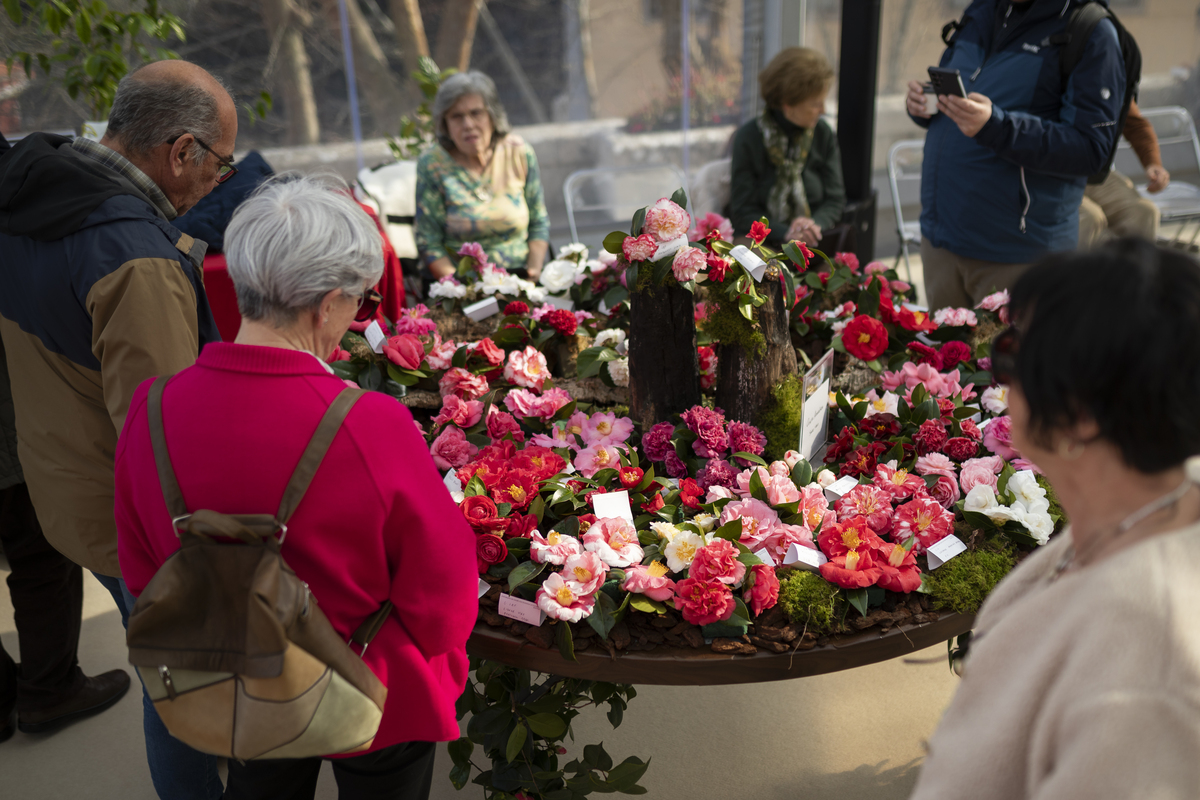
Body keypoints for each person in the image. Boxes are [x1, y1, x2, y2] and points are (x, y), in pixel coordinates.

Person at [114, 175, 479, 800]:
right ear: (325, 304)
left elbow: (143, 569)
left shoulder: (151, 409)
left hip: (233, 675)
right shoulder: (369, 422)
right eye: (360, 303)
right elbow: (442, 598)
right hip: (370, 690)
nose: (357, 316)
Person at [0, 61, 235, 798]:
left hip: (60, 480)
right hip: (130, 519)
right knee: (183, 693)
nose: (221, 180)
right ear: (181, 151)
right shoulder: (133, 258)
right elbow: (161, 441)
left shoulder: (35, 181)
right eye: (221, 163)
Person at [909, 238, 1200, 799]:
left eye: (1014, 352)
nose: (1000, 374)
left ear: (1080, 413)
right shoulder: (1138, 518)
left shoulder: (1142, 665)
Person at [907, 0, 1126, 311]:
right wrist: (924, 105)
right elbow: (966, 88)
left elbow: (1091, 150)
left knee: (1013, 361)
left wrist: (999, 126)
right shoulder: (980, 12)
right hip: (941, 242)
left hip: (1017, 256)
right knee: (943, 359)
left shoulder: (1090, 31)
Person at [415, 71, 550, 280]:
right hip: (463, 286)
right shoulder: (433, 164)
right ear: (445, 124)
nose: (468, 124)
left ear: (492, 116)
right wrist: (458, 289)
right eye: (457, 117)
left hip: (521, 278)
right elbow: (428, 241)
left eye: (476, 113)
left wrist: (533, 274)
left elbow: (539, 222)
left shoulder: (518, 152)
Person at [729, 47, 846, 250]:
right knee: (767, 274)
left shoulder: (823, 134)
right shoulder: (749, 138)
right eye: (815, 104)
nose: (823, 110)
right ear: (788, 104)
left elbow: (835, 200)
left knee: (842, 276)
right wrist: (786, 232)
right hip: (763, 242)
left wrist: (812, 226)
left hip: (816, 240)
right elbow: (742, 212)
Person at [1078, 100, 1169, 246]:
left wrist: (1152, 162)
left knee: (1144, 212)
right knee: (1090, 218)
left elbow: (1135, 123)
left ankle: (1130, 267)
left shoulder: (1114, 78)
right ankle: (1078, 268)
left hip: (1092, 170)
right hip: (1045, 172)